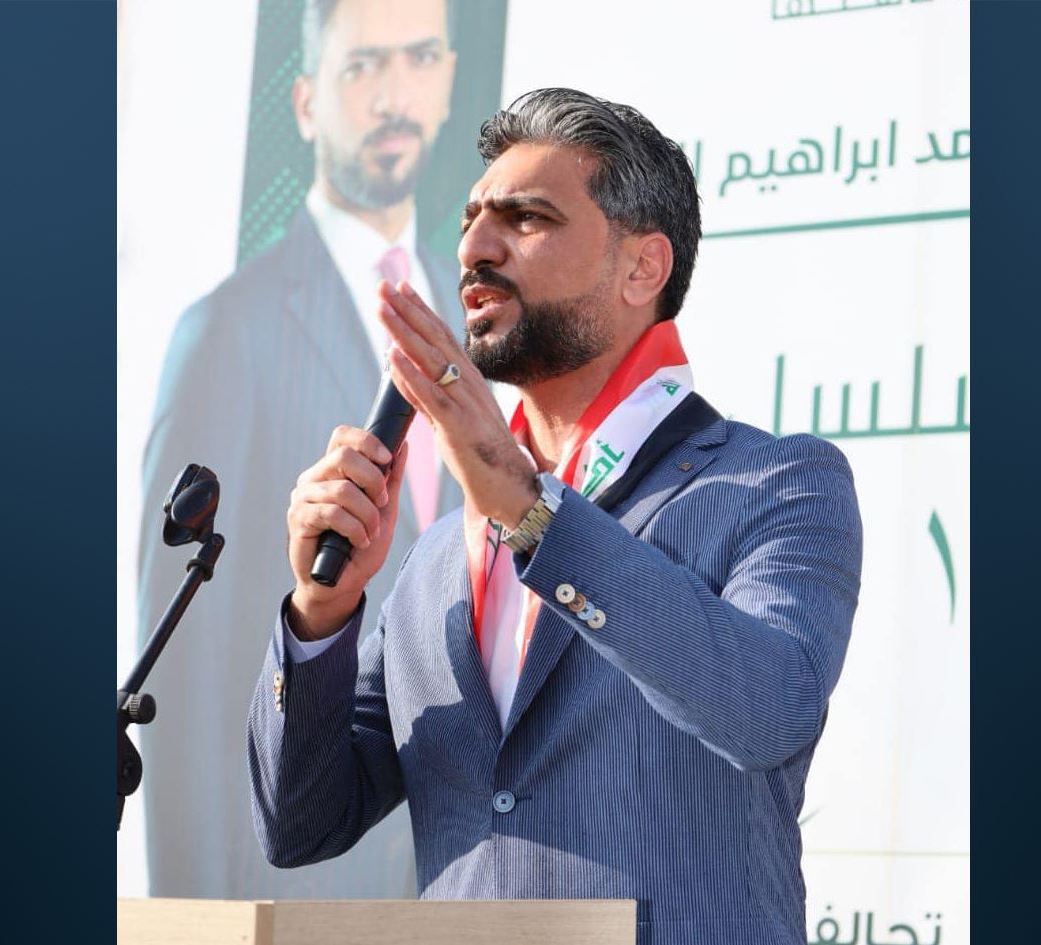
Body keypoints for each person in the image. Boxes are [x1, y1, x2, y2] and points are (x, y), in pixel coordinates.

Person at [248, 88, 865, 944]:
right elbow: (300, 824)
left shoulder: (776, 483)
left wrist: (533, 512)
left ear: (642, 267)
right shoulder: (438, 556)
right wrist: (322, 610)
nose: (475, 246)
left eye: (527, 217)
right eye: (472, 219)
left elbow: (769, 713)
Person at [138, 0, 462, 900]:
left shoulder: (470, 325)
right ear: (308, 102)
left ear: (448, 80)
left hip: (440, 886)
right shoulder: (227, 329)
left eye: (419, 58)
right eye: (363, 67)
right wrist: (193, 912)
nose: (394, 94)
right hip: (287, 885)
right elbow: (183, 669)